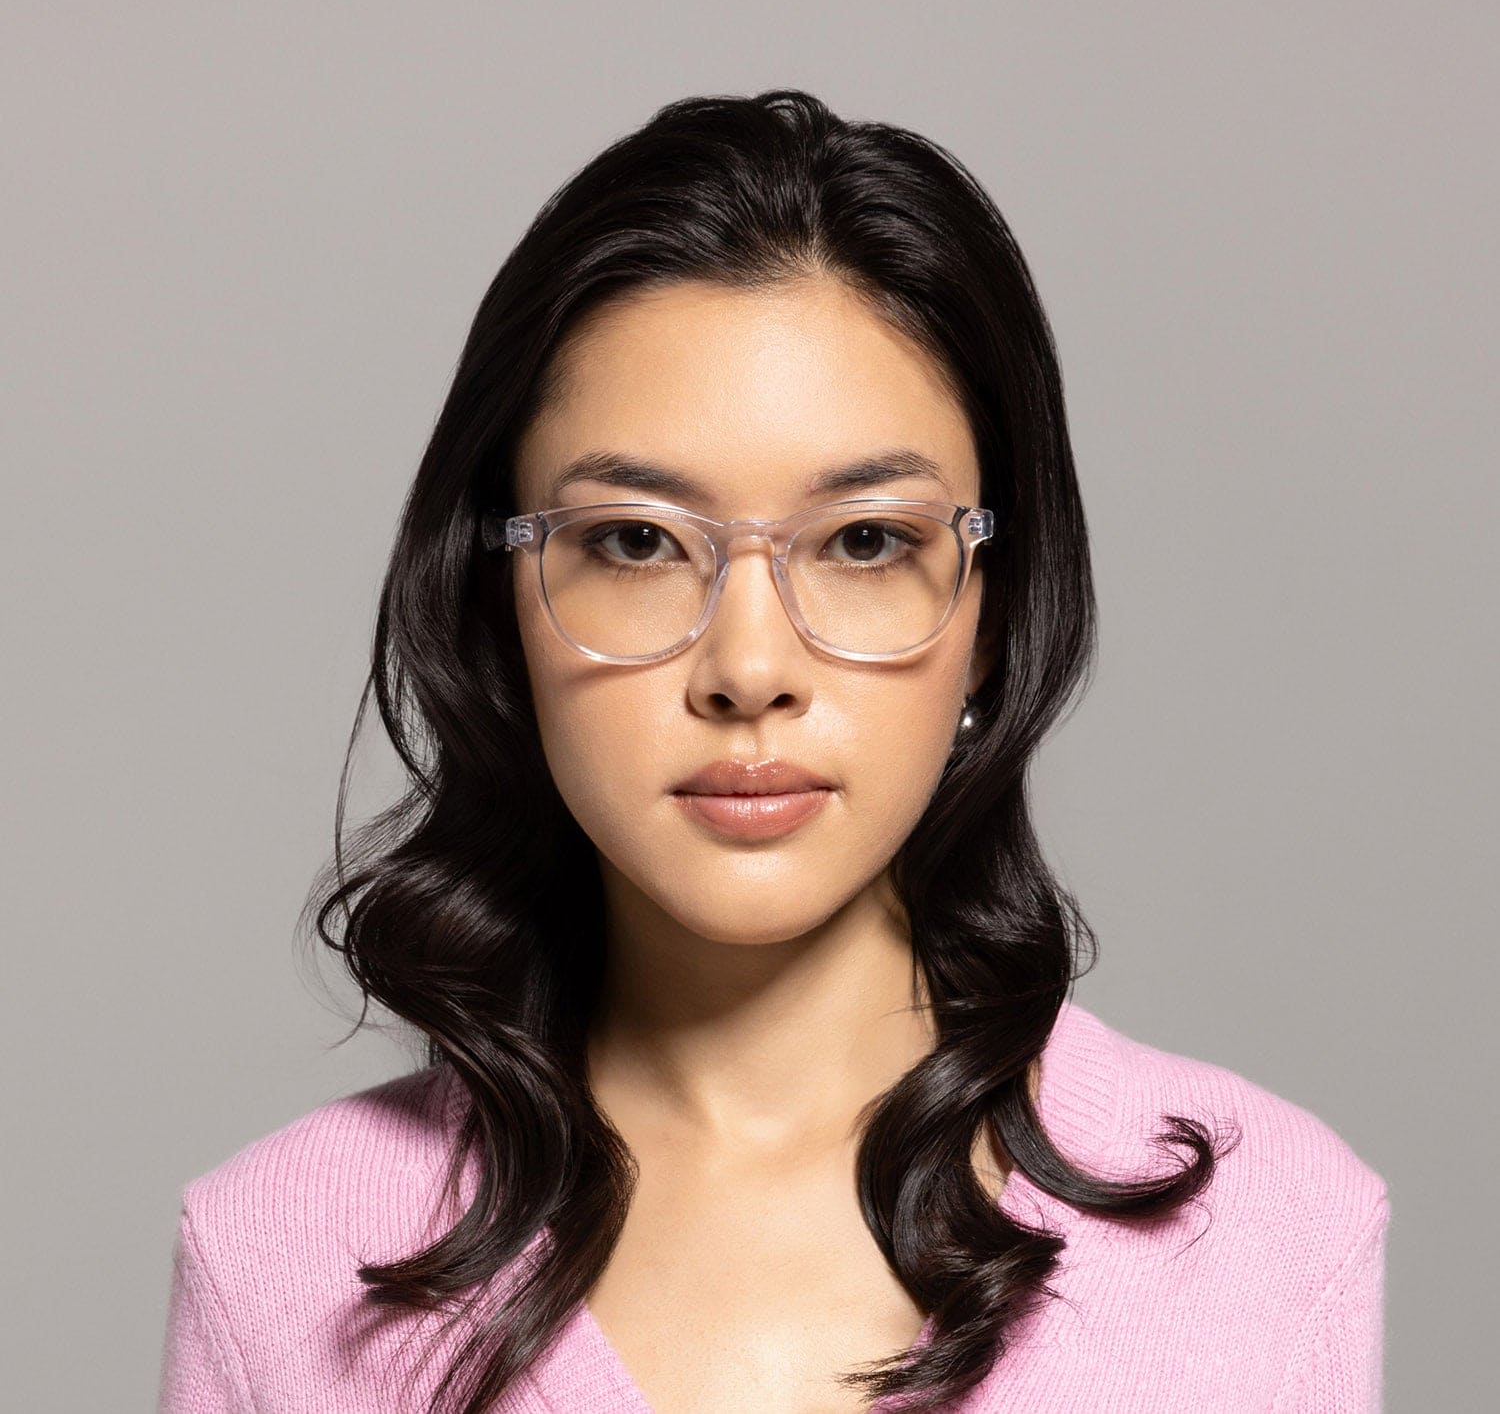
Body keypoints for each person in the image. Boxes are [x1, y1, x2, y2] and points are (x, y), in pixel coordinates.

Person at [157, 89, 1388, 1414]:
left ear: (995, 610)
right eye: (634, 542)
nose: (749, 671)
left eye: (866, 542)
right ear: (498, 604)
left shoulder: (1272, 1233)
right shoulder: (276, 1266)